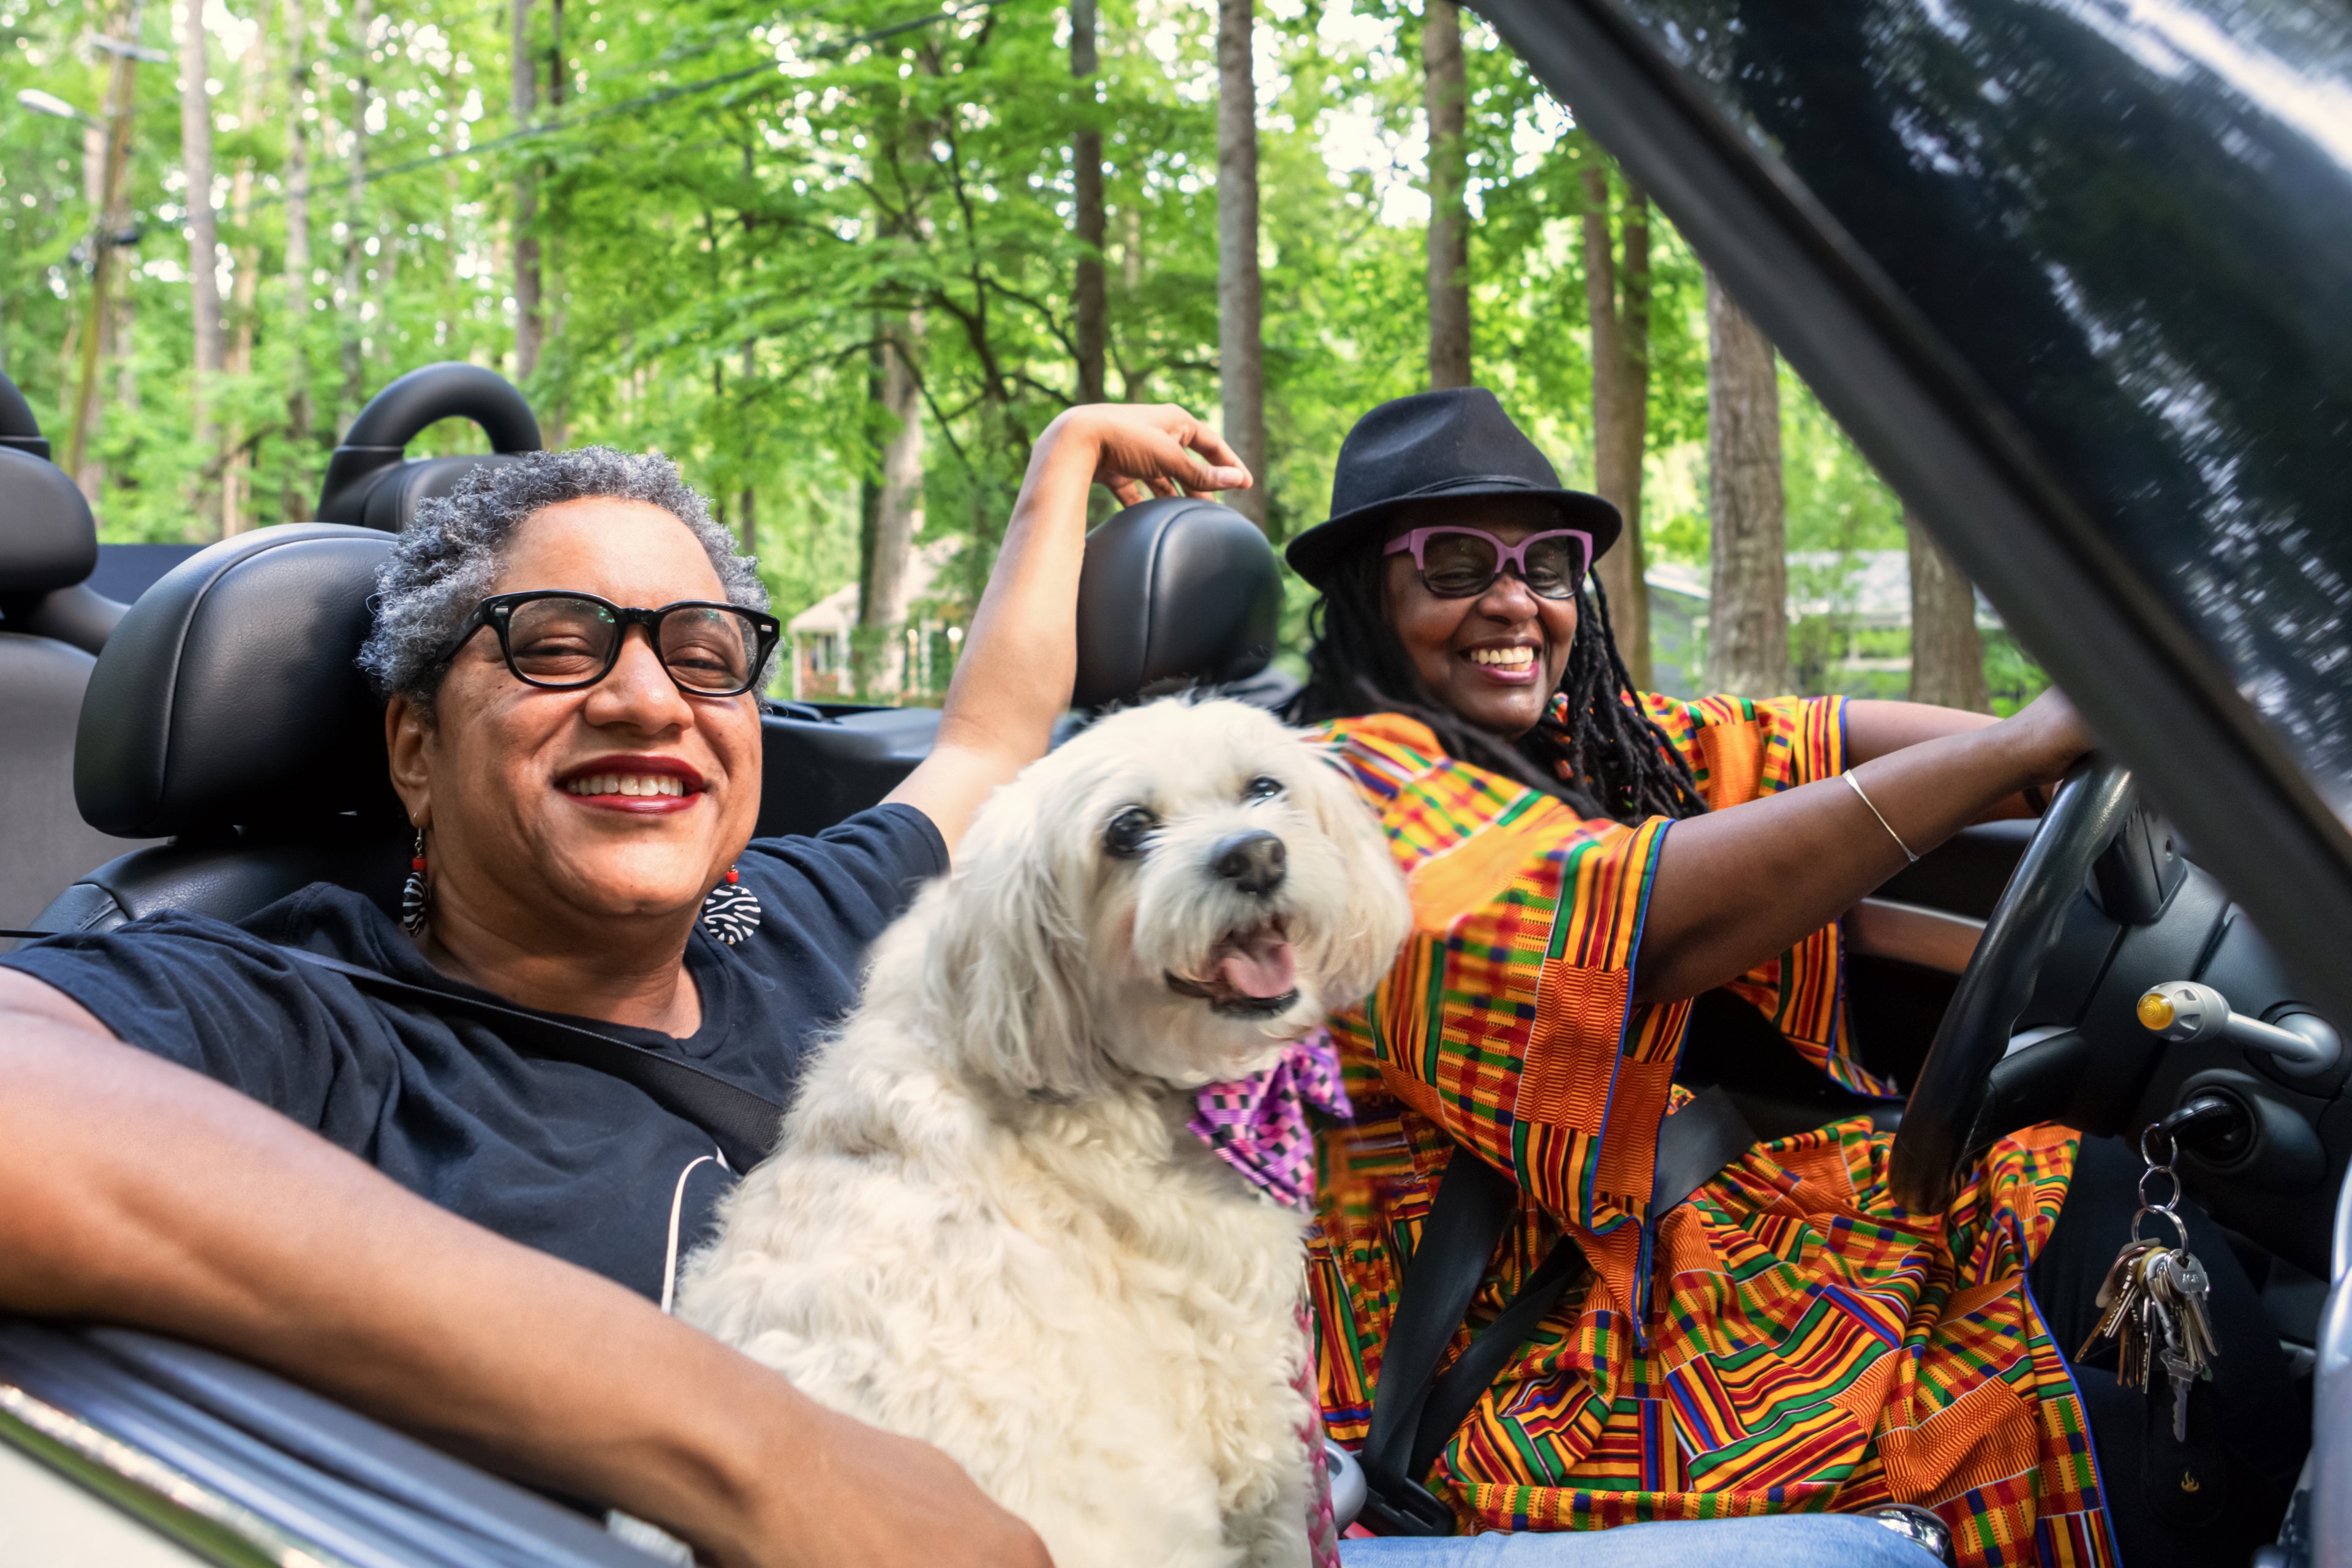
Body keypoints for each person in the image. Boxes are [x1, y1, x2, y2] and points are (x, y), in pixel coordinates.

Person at [0, 404, 1251, 1568]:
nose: (648, 697)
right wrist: (762, 1450)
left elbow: (984, 741)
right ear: (416, 748)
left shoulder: (804, 913)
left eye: (705, 651)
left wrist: (1063, 458)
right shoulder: (308, 1008)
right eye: (554, 643)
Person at [1283, 389, 2302, 1568]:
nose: (1513, 599)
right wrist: (2012, 750)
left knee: (2092, 1192)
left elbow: (1807, 740)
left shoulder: (1599, 742)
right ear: (1371, 592)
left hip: (1697, 1245)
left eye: (1547, 564)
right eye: (1455, 565)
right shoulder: (1330, 797)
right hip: (1525, 1360)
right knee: (2089, 1416)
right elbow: (1635, 921)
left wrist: (2068, 737)